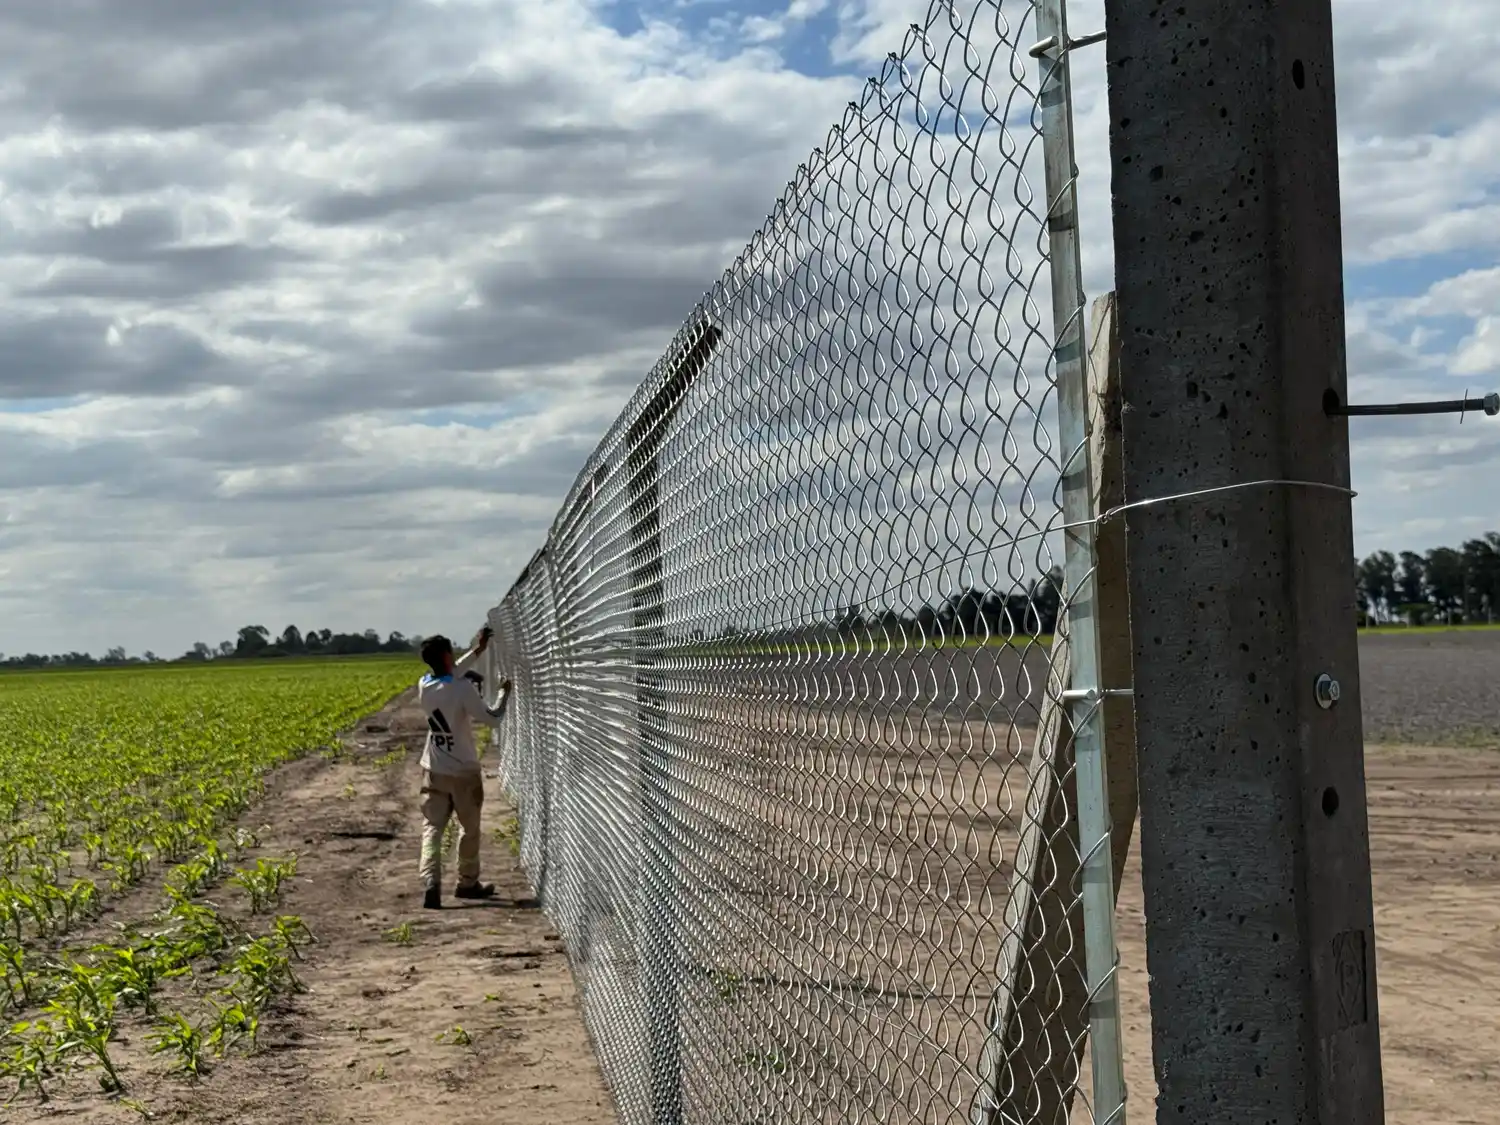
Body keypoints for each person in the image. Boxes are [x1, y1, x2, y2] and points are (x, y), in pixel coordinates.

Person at [415, 626, 513, 909]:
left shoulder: (425, 684)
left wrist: (477, 651)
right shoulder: (462, 689)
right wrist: (504, 695)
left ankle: (431, 881)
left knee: (432, 827)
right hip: (463, 772)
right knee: (468, 829)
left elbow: (450, 672)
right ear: (447, 655)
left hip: (433, 768)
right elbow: (493, 718)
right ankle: (467, 883)